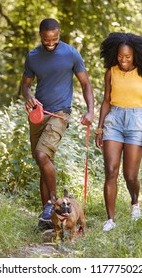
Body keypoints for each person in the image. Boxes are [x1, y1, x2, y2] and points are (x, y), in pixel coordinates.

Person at [21, 18, 94, 230]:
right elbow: (25, 86)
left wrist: (90, 111)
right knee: (42, 162)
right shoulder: (33, 56)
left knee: (42, 155)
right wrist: (29, 97)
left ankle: (51, 204)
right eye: (46, 40)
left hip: (61, 114)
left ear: (59, 34)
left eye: (55, 39)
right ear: (40, 36)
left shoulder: (71, 53)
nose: (51, 43)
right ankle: (48, 216)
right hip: (38, 113)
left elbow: (85, 84)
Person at [95, 33, 142, 231]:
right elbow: (106, 101)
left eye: (128, 57)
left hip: (136, 122)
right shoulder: (110, 72)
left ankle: (135, 202)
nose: (123, 60)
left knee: (130, 175)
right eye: (120, 56)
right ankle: (110, 219)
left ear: (135, 55)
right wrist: (100, 127)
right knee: (111, 171)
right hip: (114, 120)